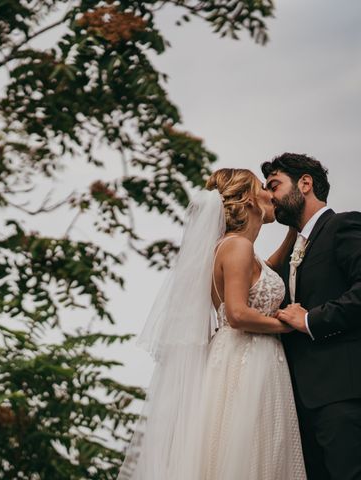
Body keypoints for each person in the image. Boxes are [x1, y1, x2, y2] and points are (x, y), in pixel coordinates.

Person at [118, 168, 306, 479]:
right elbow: (238, 314)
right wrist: (288, 324)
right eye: (263, 187)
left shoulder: (233, 247)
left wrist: (293, 233)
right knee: (247, 451)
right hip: (247, 359)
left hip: (241, 355)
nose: (270, 194)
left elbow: (263, 275)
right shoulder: (237, 247)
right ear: (247, 199)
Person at [264, 153, 361, 480]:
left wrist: (310, 320)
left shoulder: (343, 226)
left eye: (274, 185)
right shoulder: (291, 251)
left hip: (343, 394)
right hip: (297, 403)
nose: (270, 196)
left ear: (305, 183)